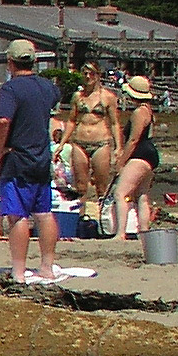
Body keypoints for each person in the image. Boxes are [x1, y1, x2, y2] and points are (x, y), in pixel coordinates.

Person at [0, 38, 61, 282]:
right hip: (41, 155)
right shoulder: (47, 87)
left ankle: (18, 271)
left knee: (17, 216)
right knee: (44, 213)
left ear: (10, 62)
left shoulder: (11, 89)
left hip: (18, 156)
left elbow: (3, 120)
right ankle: (47, 266)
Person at [68, 63, 123, 233]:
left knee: (102, 185)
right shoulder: (78, 96)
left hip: (101, 141)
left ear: (98, 75)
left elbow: (114, 123)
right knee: (81, 185)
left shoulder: (108, 97)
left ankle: (104, 222)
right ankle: (80, 220)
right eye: (85, 73)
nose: (87, 77)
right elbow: (71, 120)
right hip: (79, 140)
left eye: (91, 73)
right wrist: (62, 143)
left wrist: (118, 146)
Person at [112, 76, 161, 238]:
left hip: (140, 154)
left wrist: (121, 161)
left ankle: (120, 233)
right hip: (150, 154)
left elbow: (133, 140)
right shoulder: (149, 111)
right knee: (141, 195)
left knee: (120, 193)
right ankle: (144, 231)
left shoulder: (139, 112)